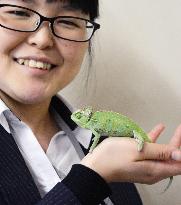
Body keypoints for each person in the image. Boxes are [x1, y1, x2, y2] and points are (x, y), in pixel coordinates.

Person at [0, 0, 181, 205]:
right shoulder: (106, 158)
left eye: (68, 21)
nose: (42, 39)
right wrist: (92, 176)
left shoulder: (109, 145)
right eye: (19, 12)